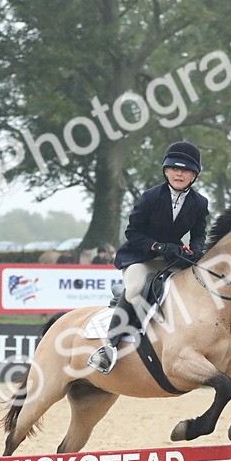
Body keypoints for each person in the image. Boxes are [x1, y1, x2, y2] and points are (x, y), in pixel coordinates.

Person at [87, 141, 210, 374]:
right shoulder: (151, 197)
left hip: (172, 259)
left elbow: (199, 234)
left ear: (194, 175)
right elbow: (132, 233)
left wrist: (195, 251)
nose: (179, 174)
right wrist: (158, 246)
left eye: (185, 170)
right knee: (135, 289)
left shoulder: (199, 203)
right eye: (174, 168)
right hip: (139, 257)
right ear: (166, 171)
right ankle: (109, 347)